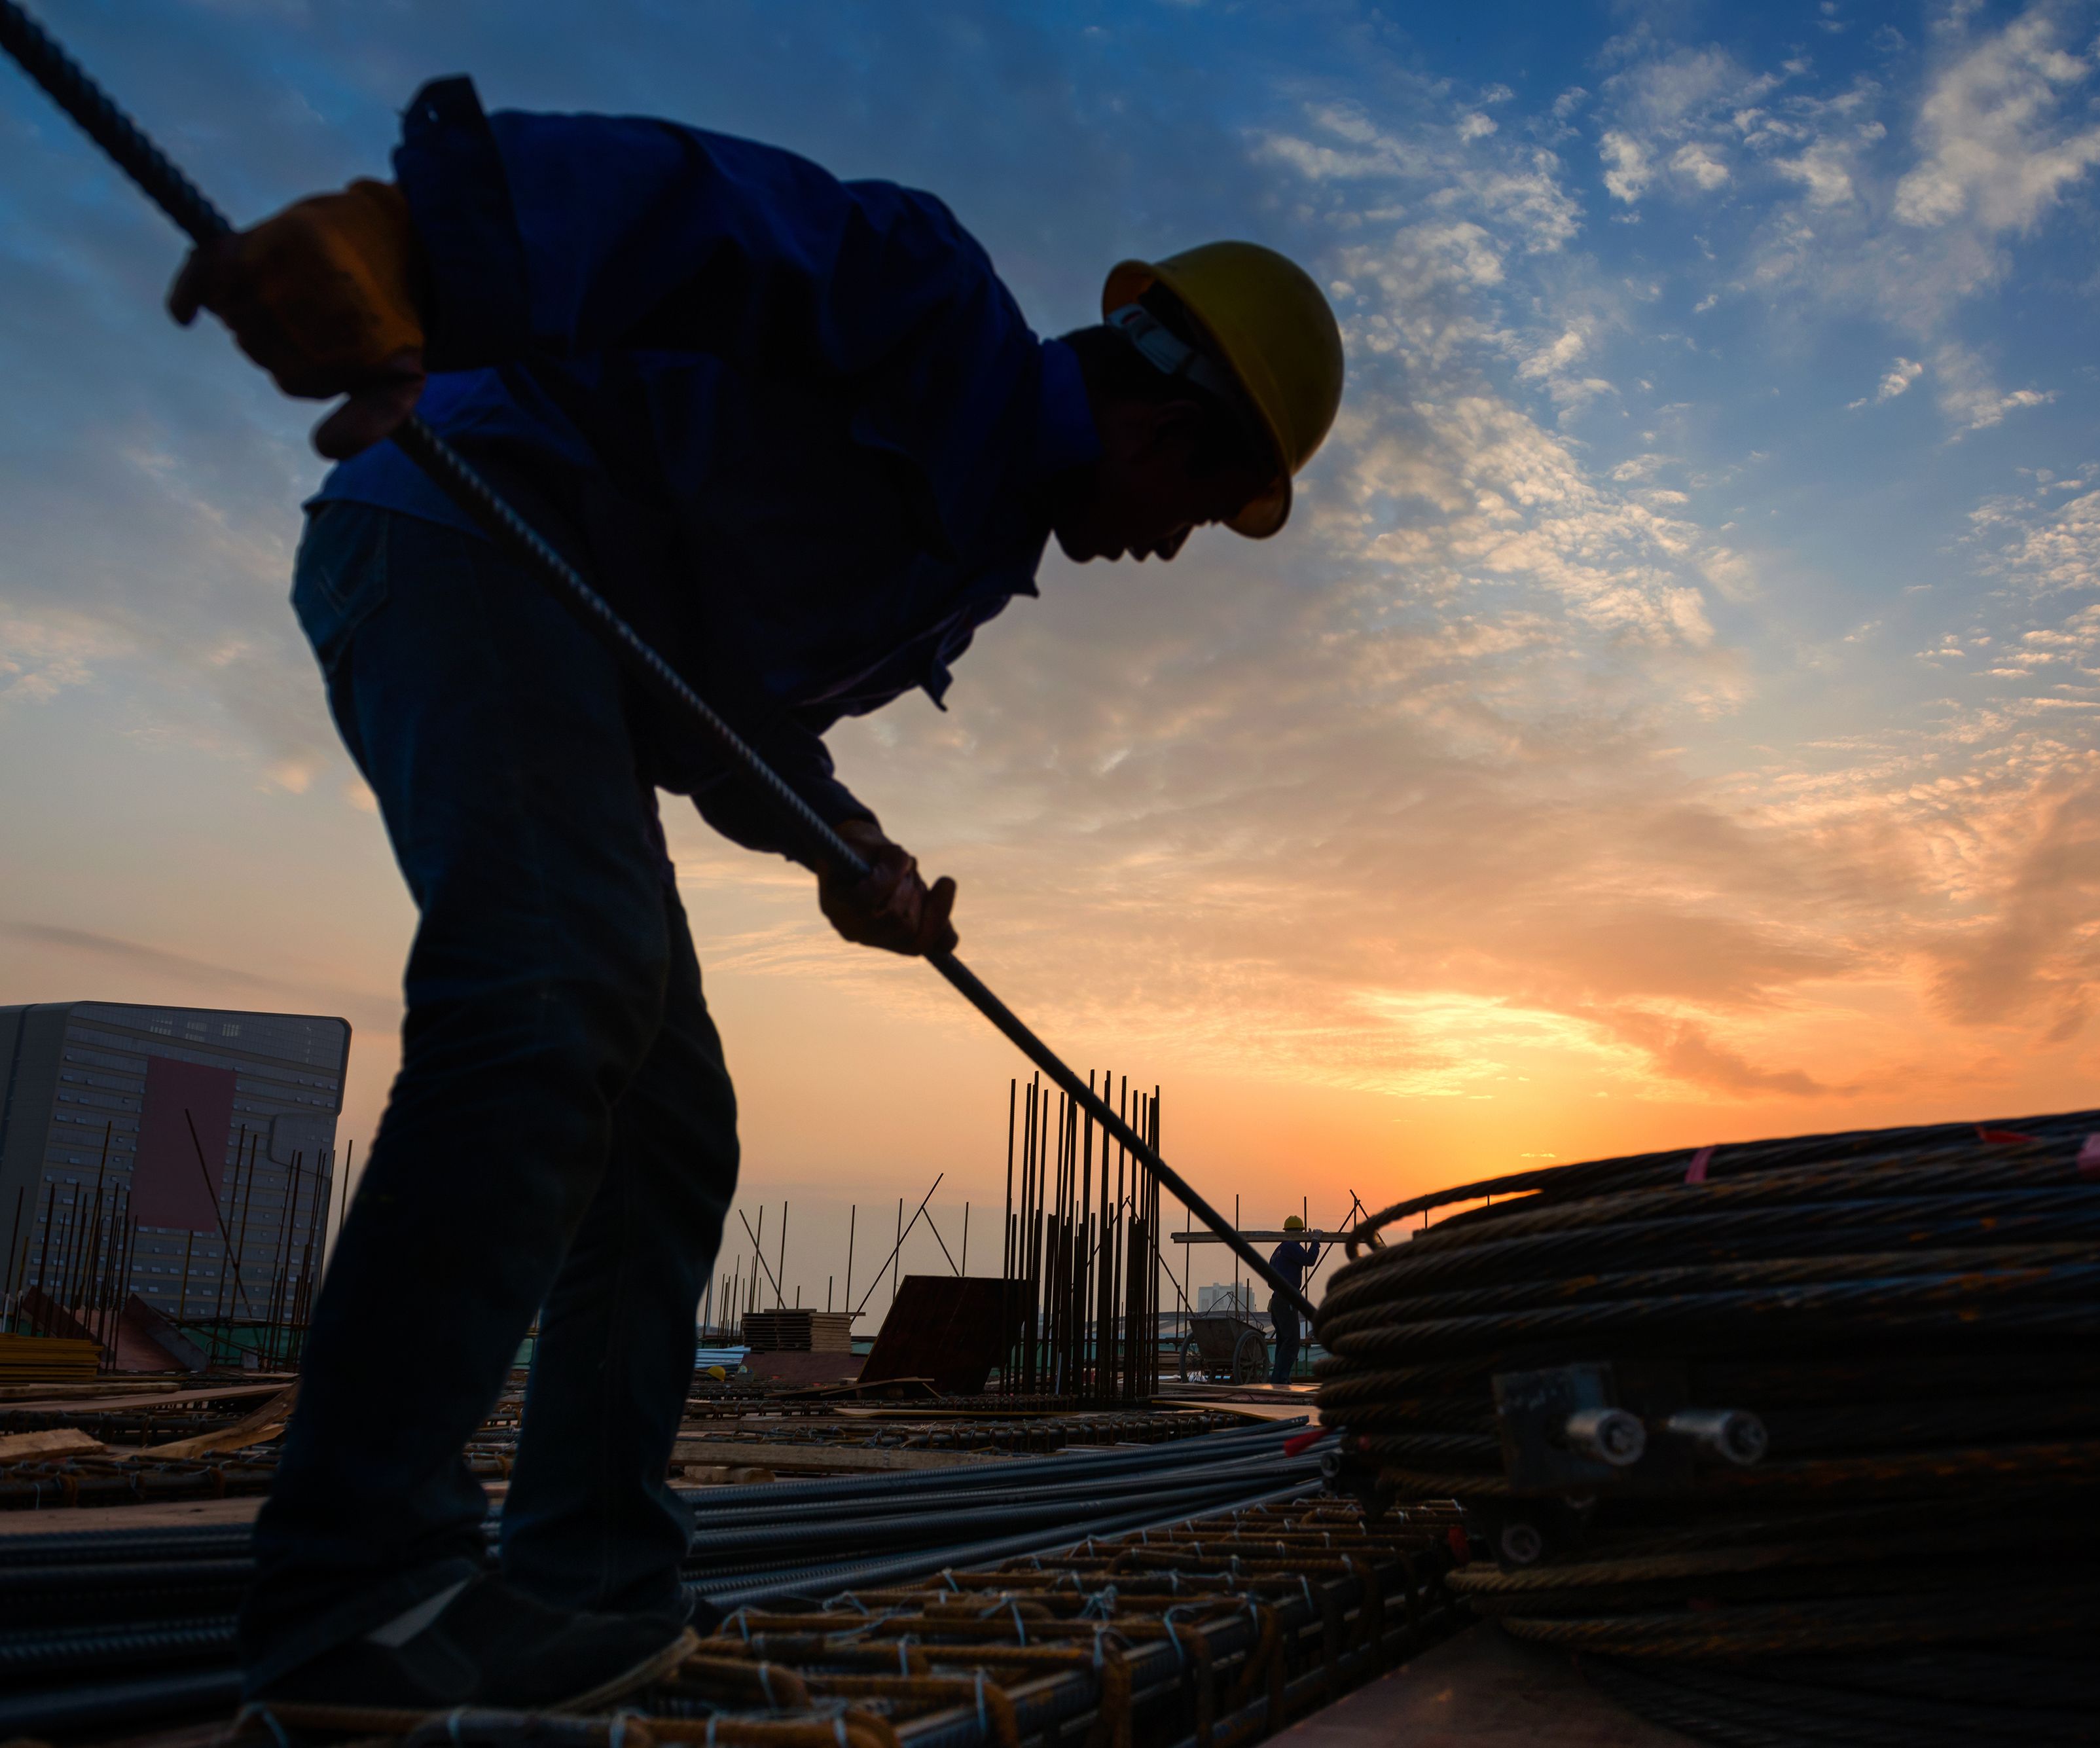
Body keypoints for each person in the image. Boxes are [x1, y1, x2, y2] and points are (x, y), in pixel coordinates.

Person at [167, 77, 1343, 1711]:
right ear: (1169, 428)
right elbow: (693, 212)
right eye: (1205, 511)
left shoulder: (964, 546)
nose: (1176, 547)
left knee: (670, 1122)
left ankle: (589, 1577)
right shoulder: (934, 317)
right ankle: (357, 1591)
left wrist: (846, 852)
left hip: (567, 642)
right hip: (461, 540)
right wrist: (414, 240)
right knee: (557, 983)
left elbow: (722, 709)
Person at [1268, 1214, 1321, 1386]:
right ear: (1299, 1232)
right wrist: (1315, 1242)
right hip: (1287, 1300)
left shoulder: (1278, 1251)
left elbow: (1270, 1281)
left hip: (1277, 1300)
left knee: (1283, 1341)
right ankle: (1281, 1379)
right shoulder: (1291, 1246)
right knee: (1292, 1341)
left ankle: (1278, 1379)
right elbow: (1309, 1260)